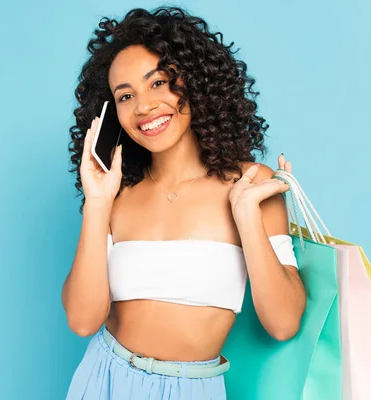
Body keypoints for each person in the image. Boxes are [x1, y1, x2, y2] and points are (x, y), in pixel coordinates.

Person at [61, 6, 307, 400]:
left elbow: (283, 323)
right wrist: (96, 202)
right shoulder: (116, 194)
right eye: (126, 95)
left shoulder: (250, 184)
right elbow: (82, 319)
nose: (143, 107)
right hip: (102, 379)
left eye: (158, 83)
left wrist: (246, 216)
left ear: (195, 82)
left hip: (194, 389)